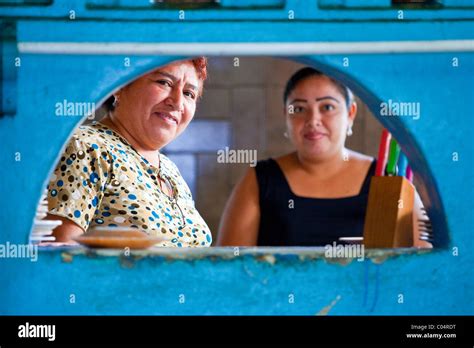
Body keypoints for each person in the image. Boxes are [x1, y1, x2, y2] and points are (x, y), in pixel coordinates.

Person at [217, 67, 428, 247]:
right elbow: (228, 271)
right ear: (286, 116)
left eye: (327, 107)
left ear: (350, 113)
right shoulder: (260, 179)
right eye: (299, 109)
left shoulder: (388, 180)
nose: (313, 120)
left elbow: (424, 261)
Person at [45, 58, 212, 247]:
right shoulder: (86, 148)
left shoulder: (169, 169)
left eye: (189, 93)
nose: (177, 102)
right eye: (164, 82)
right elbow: (59, 259)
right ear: (119, 85)